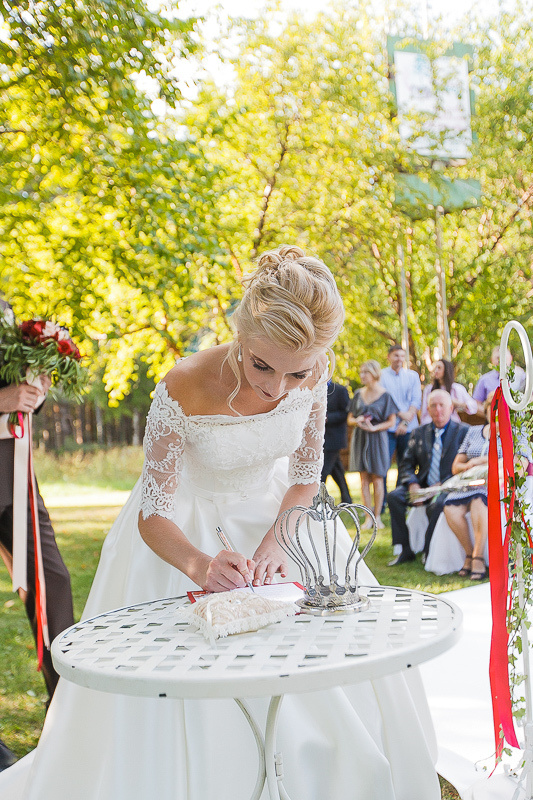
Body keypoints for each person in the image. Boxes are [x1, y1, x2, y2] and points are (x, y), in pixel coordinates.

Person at [4, 246, 440, 800]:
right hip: (185, 530)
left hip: (281, 518)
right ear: (241, 333)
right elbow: (153, 514)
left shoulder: (314, 370)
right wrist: (200, 565)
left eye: (297, 372)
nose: (277, 388)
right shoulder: (183, 384)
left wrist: (279, 541)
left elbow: (305, 477)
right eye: (261, 366)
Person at [0, 299, 74, 771]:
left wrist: (33, 391)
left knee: (54, 581)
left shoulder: (5, 311)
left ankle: (68, 712)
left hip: (13, 472)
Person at [388, 390, 468, 566]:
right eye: (433, 405)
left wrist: (441, 485)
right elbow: (406, 464)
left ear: (451, 408)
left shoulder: (463, 432)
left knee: (436, 505)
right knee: (394, 497)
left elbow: (465, 468)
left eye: (442, 405)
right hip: (423, 485)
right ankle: (405, 549)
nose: (438, 409)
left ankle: (428, 549)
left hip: (448, 486)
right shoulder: (419, 432)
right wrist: (412, 484)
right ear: (428, 409)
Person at [442, 393, 510, 580]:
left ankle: (478, 557)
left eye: (500, 410)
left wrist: (481, 461)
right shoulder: (473, 432)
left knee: (479, 501)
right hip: (468, 484)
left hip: (492, 484)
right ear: (486, 411)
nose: (495, 413)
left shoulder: (510, 434)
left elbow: (512, 464)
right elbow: (456, 466)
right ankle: (469, 553)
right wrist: (470, 466)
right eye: (492, 409)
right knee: (450, 507)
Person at [347, 360, 398, 529]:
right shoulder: (358, 394)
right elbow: (349, 419)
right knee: (363, 478)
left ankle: (377, 517)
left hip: (378, 439)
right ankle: (367, 517)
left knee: (377, 477)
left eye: (365, 372)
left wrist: (375, 428)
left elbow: (392, 422)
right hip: (360, 437)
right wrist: (357, 421)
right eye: (361, 372)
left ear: (374, 374)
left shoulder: (385, 395)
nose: (362, 375)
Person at [380, 345, 422, 491]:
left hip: (409, 427)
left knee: (405, 464)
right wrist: (399, 413)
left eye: (402, 356)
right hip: (388, 427)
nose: (400, 359)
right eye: (396, 355)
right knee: (383, 464)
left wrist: (404, 422)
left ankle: (400, 494)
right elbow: (384, 399)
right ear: (389, 357)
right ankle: (383, 498)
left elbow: (416, 401)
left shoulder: (412, 376)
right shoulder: (381, 376)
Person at [321, 380, 352, 504]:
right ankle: (347, 499)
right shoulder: (314, 389)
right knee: (337, 470)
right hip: (321, 437)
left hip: (334, 438)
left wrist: (328, 418)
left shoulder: (340, 390)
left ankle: (318, 499)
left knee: (323, 471)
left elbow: (346, 413)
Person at [420, 359, 478, 425]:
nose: (436, 371)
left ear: (446, 370)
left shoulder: (456, 388)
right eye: (435, 368)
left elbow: (474, 406)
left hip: (453, 426)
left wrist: (459, 404)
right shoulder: (429, 389)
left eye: (439, 368)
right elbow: (424, 412)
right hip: (432, 425)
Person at [473, 346, 525, 415]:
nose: (501, 361)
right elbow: (476, 404)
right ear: (492, 360)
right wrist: (490, 414)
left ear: (510, 358)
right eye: (498, 358)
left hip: (518, 419)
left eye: (503, 357)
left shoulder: (521, 375)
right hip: (493, 420)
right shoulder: (484, 380)